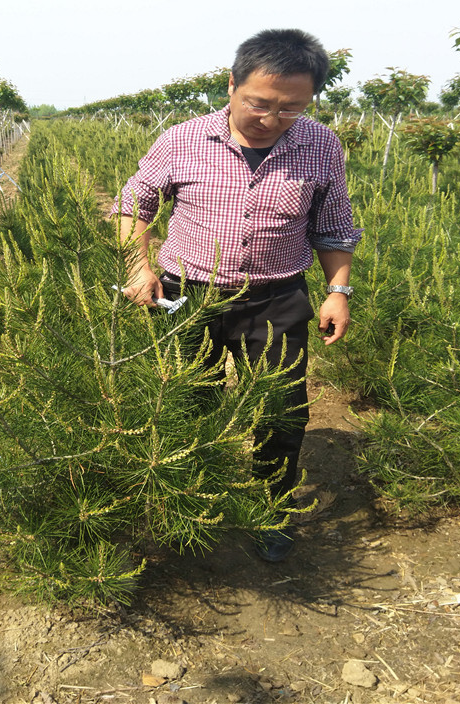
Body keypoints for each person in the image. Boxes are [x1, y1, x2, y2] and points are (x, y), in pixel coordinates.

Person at [111, 28, 362, 562]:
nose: (271, 119)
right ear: (231, 84)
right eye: (259, 103)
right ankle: (186, 504)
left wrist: (337, 291)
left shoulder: (321, 146)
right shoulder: (182, 140)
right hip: (186, 295)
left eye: (290, 109)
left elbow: (334, 227)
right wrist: (140, 267)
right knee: (185, 401)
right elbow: (135, 206)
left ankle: (272, 512)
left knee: (281, 409)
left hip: (275, 299)